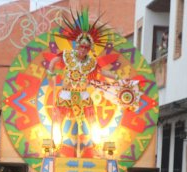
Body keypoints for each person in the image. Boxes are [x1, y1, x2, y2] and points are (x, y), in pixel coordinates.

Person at [47, 10, 139, 158]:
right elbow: (53, 61)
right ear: (77, 45)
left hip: (83, 94)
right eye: (82, 46)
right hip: (66, 93)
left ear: (89, 49)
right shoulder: (67, 55)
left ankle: (98, 148)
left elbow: (102, 72)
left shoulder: (91, 62)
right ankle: (55, 147)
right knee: (58, 121)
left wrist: (117, 77)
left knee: (92, 121)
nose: (83, 50)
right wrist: (50, 72)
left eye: (86, 48)